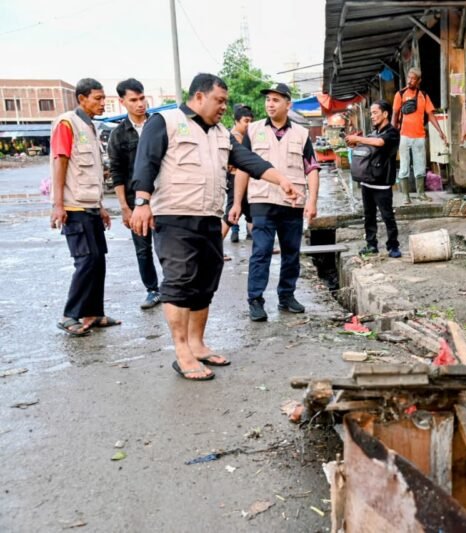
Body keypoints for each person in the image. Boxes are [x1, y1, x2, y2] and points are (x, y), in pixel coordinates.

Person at [129, 73, 298, 381]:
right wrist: (142, 202)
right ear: (199, 97)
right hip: (174, 216)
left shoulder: (221, 134)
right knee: (180, 281)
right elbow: (146, 162)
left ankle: (197, 344)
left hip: (208, 217)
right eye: (219, 101)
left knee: (205, 281)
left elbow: (248, 160)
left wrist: (281, 180)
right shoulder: (165, 122)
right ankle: (182, 352)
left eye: (225, 101)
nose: (224, 107)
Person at [230, 83, 320, 322]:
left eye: (276, 100)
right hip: (262, 200)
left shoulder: (301, 134)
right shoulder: (253, 130)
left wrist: (312, 201)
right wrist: (237, 203)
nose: (270, 104)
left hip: (293, 202)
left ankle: (286, 296)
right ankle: (255, 300)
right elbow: (243, 168)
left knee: (291, 252)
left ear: (288, 104)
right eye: (268, 99)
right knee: (261, 251)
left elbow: (311, 169)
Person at [50, 78, 121, 336]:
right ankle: (70, 315)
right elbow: (60, 162)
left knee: (98, 260)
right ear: (82, 99)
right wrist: (58, 204)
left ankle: (93, 313)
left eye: (103, 98)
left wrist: (101, 206)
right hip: (73, 207)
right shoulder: (67, 123)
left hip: (90, 206)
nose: (102, 103)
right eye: (98, 98)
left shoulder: (90, 127)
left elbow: (92, 174)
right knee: (86, 261)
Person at [108, 78, 161, 309]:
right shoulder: (119, 134)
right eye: (133, 100)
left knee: (169, 245)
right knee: (143, 249)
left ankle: (173, 287)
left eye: (142, 98)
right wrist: (124, 207)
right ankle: (152, 290)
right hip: (135, 201)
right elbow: (117, 173)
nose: (140, 104)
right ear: (122, 102)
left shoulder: (159, 125)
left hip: (163, 198)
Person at [345, 100, 401, 257]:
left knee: (387, 216)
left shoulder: (392, 132)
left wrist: (358, 139)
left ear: (385, 114)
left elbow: (379, 143)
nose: (372, 116)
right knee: (369, 216)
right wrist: (353, 144)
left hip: (382, 184)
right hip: (367, 182)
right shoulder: (373, 132)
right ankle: (371, 245)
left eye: (375, 113)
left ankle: (393, 246)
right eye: (371, 113)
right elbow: (368, 146)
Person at [391, 67, 448, 204]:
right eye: (409, 78)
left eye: (413, 79)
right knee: (404, 166)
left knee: (420, 166)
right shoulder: (400, 94)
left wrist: (440, 131)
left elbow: (430, 115)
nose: (410, 81)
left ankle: (421, 194)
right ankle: (406, 196)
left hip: (419, 137)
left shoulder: (423, 95)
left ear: (419, 81)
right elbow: (395, 114)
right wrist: (392, 133)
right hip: (404, 136)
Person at [222, 104, 254, 244]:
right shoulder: (234, 138)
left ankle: (262, 244)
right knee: (231, 215)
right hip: (235, 180)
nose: (249, 124)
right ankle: (213, 249)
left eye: (251, 121)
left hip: (242, 180)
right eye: (246, 121)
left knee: (252, 214)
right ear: (237, 121)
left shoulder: (242, 136)